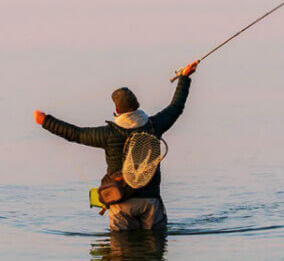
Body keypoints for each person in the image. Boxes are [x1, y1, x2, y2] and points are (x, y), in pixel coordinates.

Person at [33, 60, 198, 231]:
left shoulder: (108, 134)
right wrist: (184, 78)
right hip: (151, 202)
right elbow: (176, 107)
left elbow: (76, 134)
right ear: (138, 106)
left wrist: (45, 121)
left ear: (117, 111)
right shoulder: (155, 125)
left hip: (120, 201)